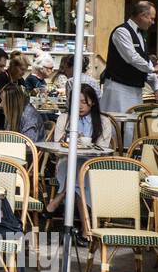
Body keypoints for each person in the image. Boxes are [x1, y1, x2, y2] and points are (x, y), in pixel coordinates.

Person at [101, 1, 158, 145]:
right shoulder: (122, 31)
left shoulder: (141, 36)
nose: (152, 22)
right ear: (141, 16)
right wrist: (152, 69)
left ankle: (126, 158)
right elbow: (131, 57)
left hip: (135, 89)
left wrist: (156, 86)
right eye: (151, 18)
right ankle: (111, 159)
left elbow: (144, 61)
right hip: (118, 87)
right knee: (116, 127)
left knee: (131, 128)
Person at [44, 84, 112, 218]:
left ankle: (62, 194)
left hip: (92, 164)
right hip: (66, 161)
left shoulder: (103, 121)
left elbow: (102, 150)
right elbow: (58, 147)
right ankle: (85, 229)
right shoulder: (64, 118)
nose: (80, 106)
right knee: (77, 169)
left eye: (84, 102)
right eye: (76, 102)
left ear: (92, 102)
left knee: (81, 168)